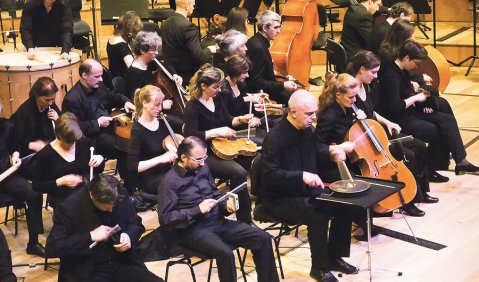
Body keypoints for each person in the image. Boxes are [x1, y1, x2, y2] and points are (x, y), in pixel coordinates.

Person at [261, 90, 355, 282]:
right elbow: (270, 176)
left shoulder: (307, 130)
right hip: (279, 197)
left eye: (314, 113)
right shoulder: (275, 138)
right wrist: (301, 176)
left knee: (344, 204)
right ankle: (319, 268)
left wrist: (331, 152)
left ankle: (334, 257)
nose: (314, 118)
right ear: (293, 112)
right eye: (309, 114)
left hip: (305, 191)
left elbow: (315, 150)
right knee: (317, 214)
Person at [158, 136, 279, 282]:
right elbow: (166, 219)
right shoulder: (169, 182)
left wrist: (225, 206)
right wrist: (197, 210)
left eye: (204, 158)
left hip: (217, 222)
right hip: (192, 230)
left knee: (263, 238)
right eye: (198, 160)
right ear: (183, 158)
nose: (203, 164)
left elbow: (215, 194)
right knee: (225, 253)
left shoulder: (203, 168)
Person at [349, 51, 438, 208]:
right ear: (362, 69)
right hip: (368, 140)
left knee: (419, 145)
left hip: (378, 132)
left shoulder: (365, 87)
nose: (376, 76)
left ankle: (422, 192)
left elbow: (371, 112)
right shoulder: (351, 91)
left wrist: (388, 122)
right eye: (373, 72)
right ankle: (407, 200)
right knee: (407, 154)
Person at [377, 40, 479, 176]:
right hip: (400, 119)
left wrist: (421, 101)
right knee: (438, 132)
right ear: (407, 58)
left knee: (447, 120)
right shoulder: (391, 75)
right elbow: (395, 106)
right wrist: (416, 98)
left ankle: (461, 161)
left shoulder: (402, 70)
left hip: (412, 112)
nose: (416, 67)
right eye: (416, 63)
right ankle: (429, 169)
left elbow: (405, 92)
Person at [46, 174, 163, 282]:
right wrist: (91, 236)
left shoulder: (119, 192)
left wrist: (128, 236)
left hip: (122, 261)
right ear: (92, 195)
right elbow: (53, 247)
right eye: (106, 208)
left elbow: (136, 223)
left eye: (113, 206)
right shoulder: (68, 208)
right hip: (89, 268)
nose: (111, 210)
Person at [183, 64, 261, 224]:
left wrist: (241, 119)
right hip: (206, 153)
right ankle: (245, 221)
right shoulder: (192, 107)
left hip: (226, 146)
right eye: (215, 87)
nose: (219, 90)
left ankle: (261, 206)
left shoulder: (217, 98)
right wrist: (216, 132)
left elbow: (227, 120)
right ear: (203, 86)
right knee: (238, 173)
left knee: (258, 159)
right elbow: (190, 136)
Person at [62, 59, 136, 195]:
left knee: (136, 138)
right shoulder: (72, 99)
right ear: (84, 76)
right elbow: (72, 128)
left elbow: (114, 96)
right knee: (126, 148)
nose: (101, 79)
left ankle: (135, 184)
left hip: (108, 129)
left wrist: (125, 101)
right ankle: (129, 191)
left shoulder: (98, 86)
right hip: (91, 139)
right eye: (97, 76)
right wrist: (97, 123)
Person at [0, 100, 45, 258]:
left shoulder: (7, 126)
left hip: (7, 177)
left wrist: (17, 155)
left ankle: (33, 243)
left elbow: (16, 146)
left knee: (35, 194)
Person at [32, 112, 104, 208]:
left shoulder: (83, 142)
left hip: (85, 191)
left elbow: (97, 170)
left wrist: (99, 159)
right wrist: (61, 181)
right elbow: (37, 185)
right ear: (59, 137)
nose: (73, 144)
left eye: (74, 141)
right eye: (69, 142)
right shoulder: (45, 154)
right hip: (61, 197)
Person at [127, 85, 178, 196]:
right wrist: (161, 159)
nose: (160, 108)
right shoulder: (137, 131)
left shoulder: (163, 120)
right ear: (144, 103)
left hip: (169, 170)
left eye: (161, 104)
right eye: (156, 105)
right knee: (180, 185)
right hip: (151, 176)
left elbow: (185, 128)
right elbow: (132, 166)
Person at [11, 77, 61, 177]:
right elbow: (15, 143)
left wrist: (59, 120)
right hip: (31, 158)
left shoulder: (51, 106)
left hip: (51, 151)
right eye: (47, 100)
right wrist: (32, 145)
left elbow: (64, 130)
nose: (51, 103)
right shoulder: (24, 113)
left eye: (53, 99)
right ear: (37, 95)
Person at [246, 10, 297, 104]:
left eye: (279, 27)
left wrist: (283, 79)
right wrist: (282, 85)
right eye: (276, 28)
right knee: (297, 99)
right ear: (265, 28)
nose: (279, 31)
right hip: (261, 94)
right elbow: (256, 82)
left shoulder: (256, 40)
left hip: (266, 87)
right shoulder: (259, 48)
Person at [161, 0, 217, 84]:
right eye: (193, 5)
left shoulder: (165, 23)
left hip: (172, 72)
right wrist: (210, 50)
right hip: (188, 73)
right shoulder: (188, 27)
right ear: (186, 6)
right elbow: (199, 56)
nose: (194, 8)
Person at [106, 11, 143, 79]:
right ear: (129, 34)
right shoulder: (122, 46)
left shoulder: (111, 38)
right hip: (123, 82)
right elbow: (133, 71)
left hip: (114, 77)